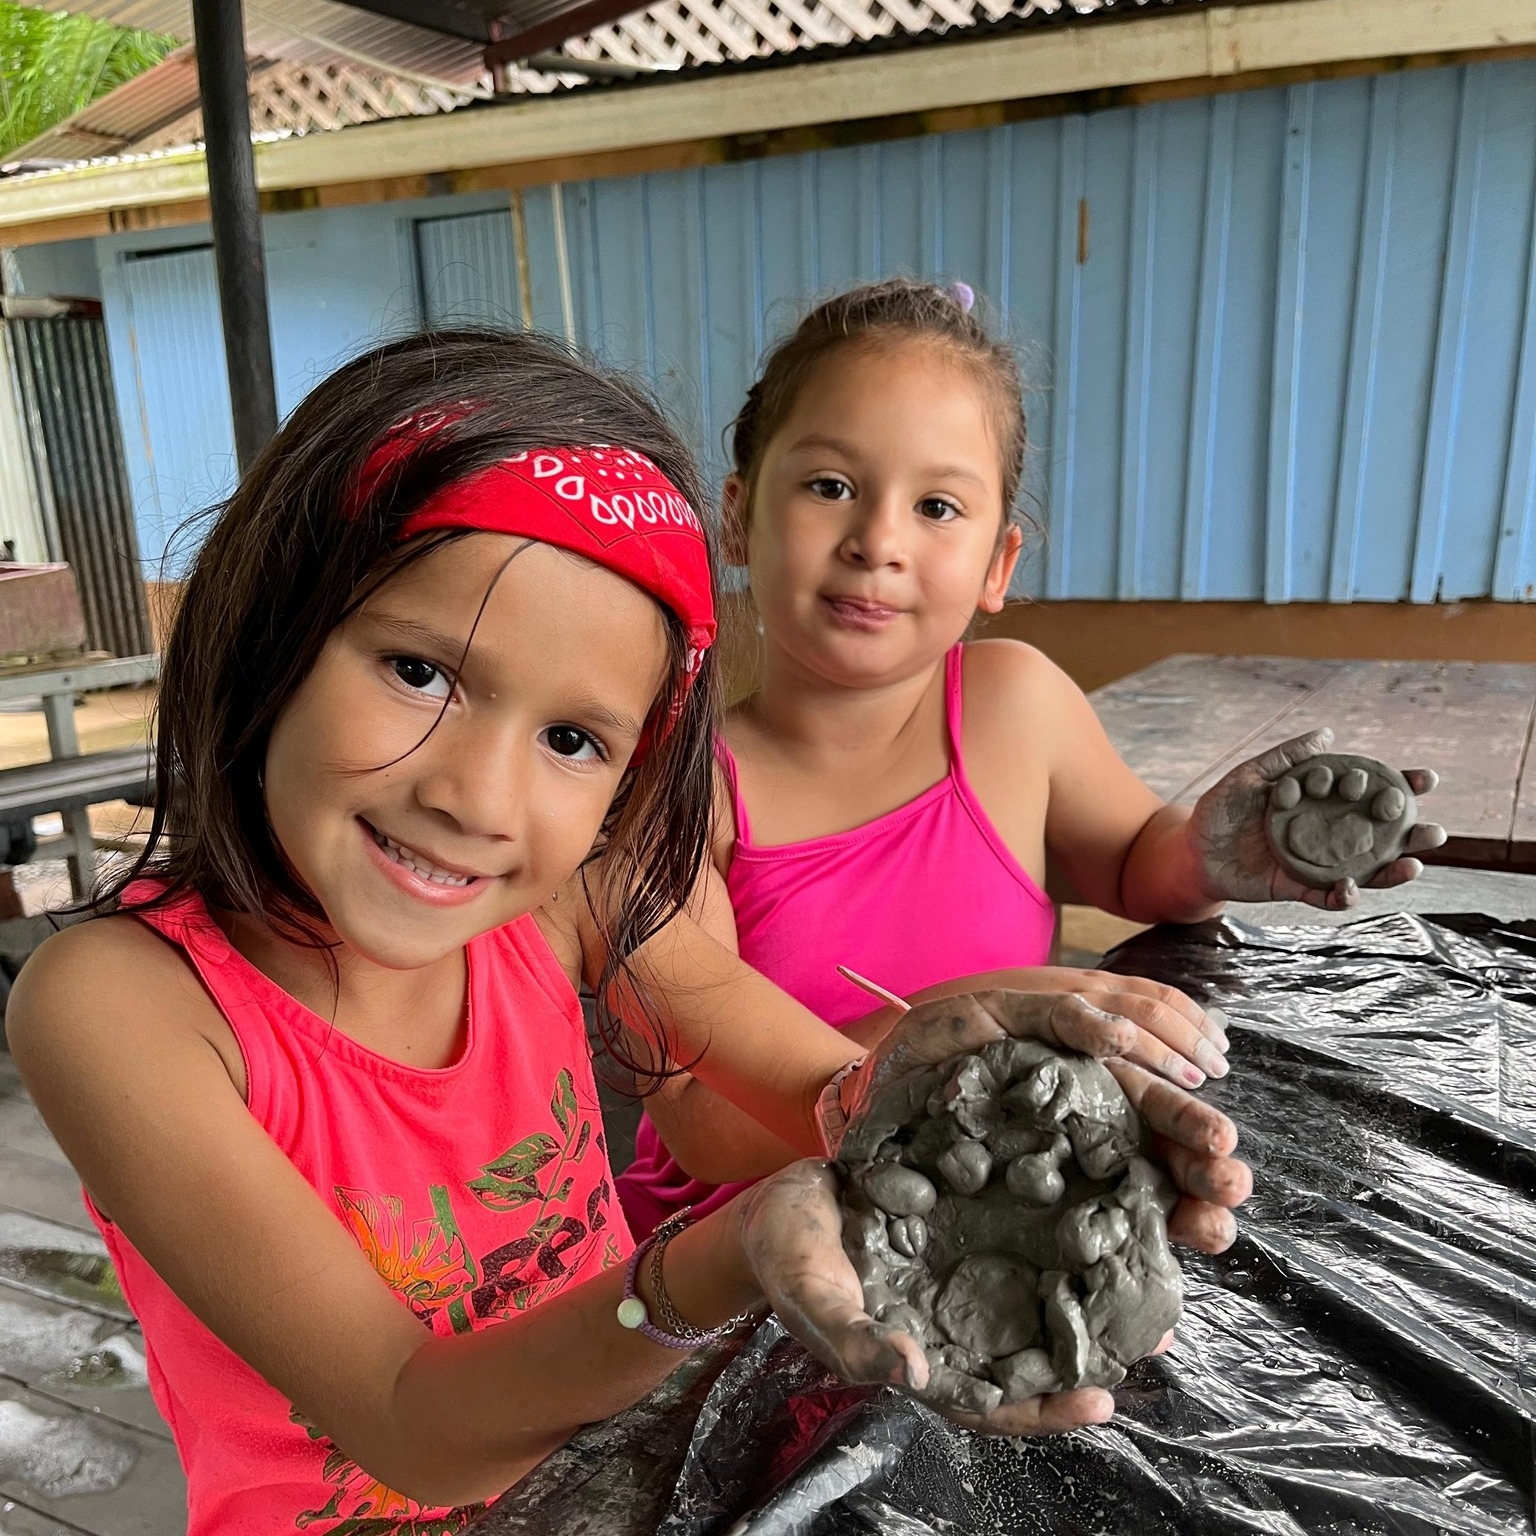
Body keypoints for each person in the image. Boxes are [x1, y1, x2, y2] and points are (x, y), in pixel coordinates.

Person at [6, 329, 1251, 1534]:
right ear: (278, 618)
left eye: (572, 741)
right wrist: (721, 1261)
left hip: (649, 1477)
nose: (476, 801)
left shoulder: (570, 897)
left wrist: (982, 1095)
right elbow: (410, 1425)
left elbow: (840, 1094)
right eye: (421, 673)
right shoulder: (125, 1006)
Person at [618, 277, 1443, 1239]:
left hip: (989, 1196)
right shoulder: (683, 795)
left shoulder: (1015, 707)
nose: (877, 541)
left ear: (999, 563)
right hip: (743, 1253)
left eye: (936, 506)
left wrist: (1209, 858)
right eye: (830, 486)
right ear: (736, 514)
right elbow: (709, 1132)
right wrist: (975, 1015)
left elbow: (1134, 860)